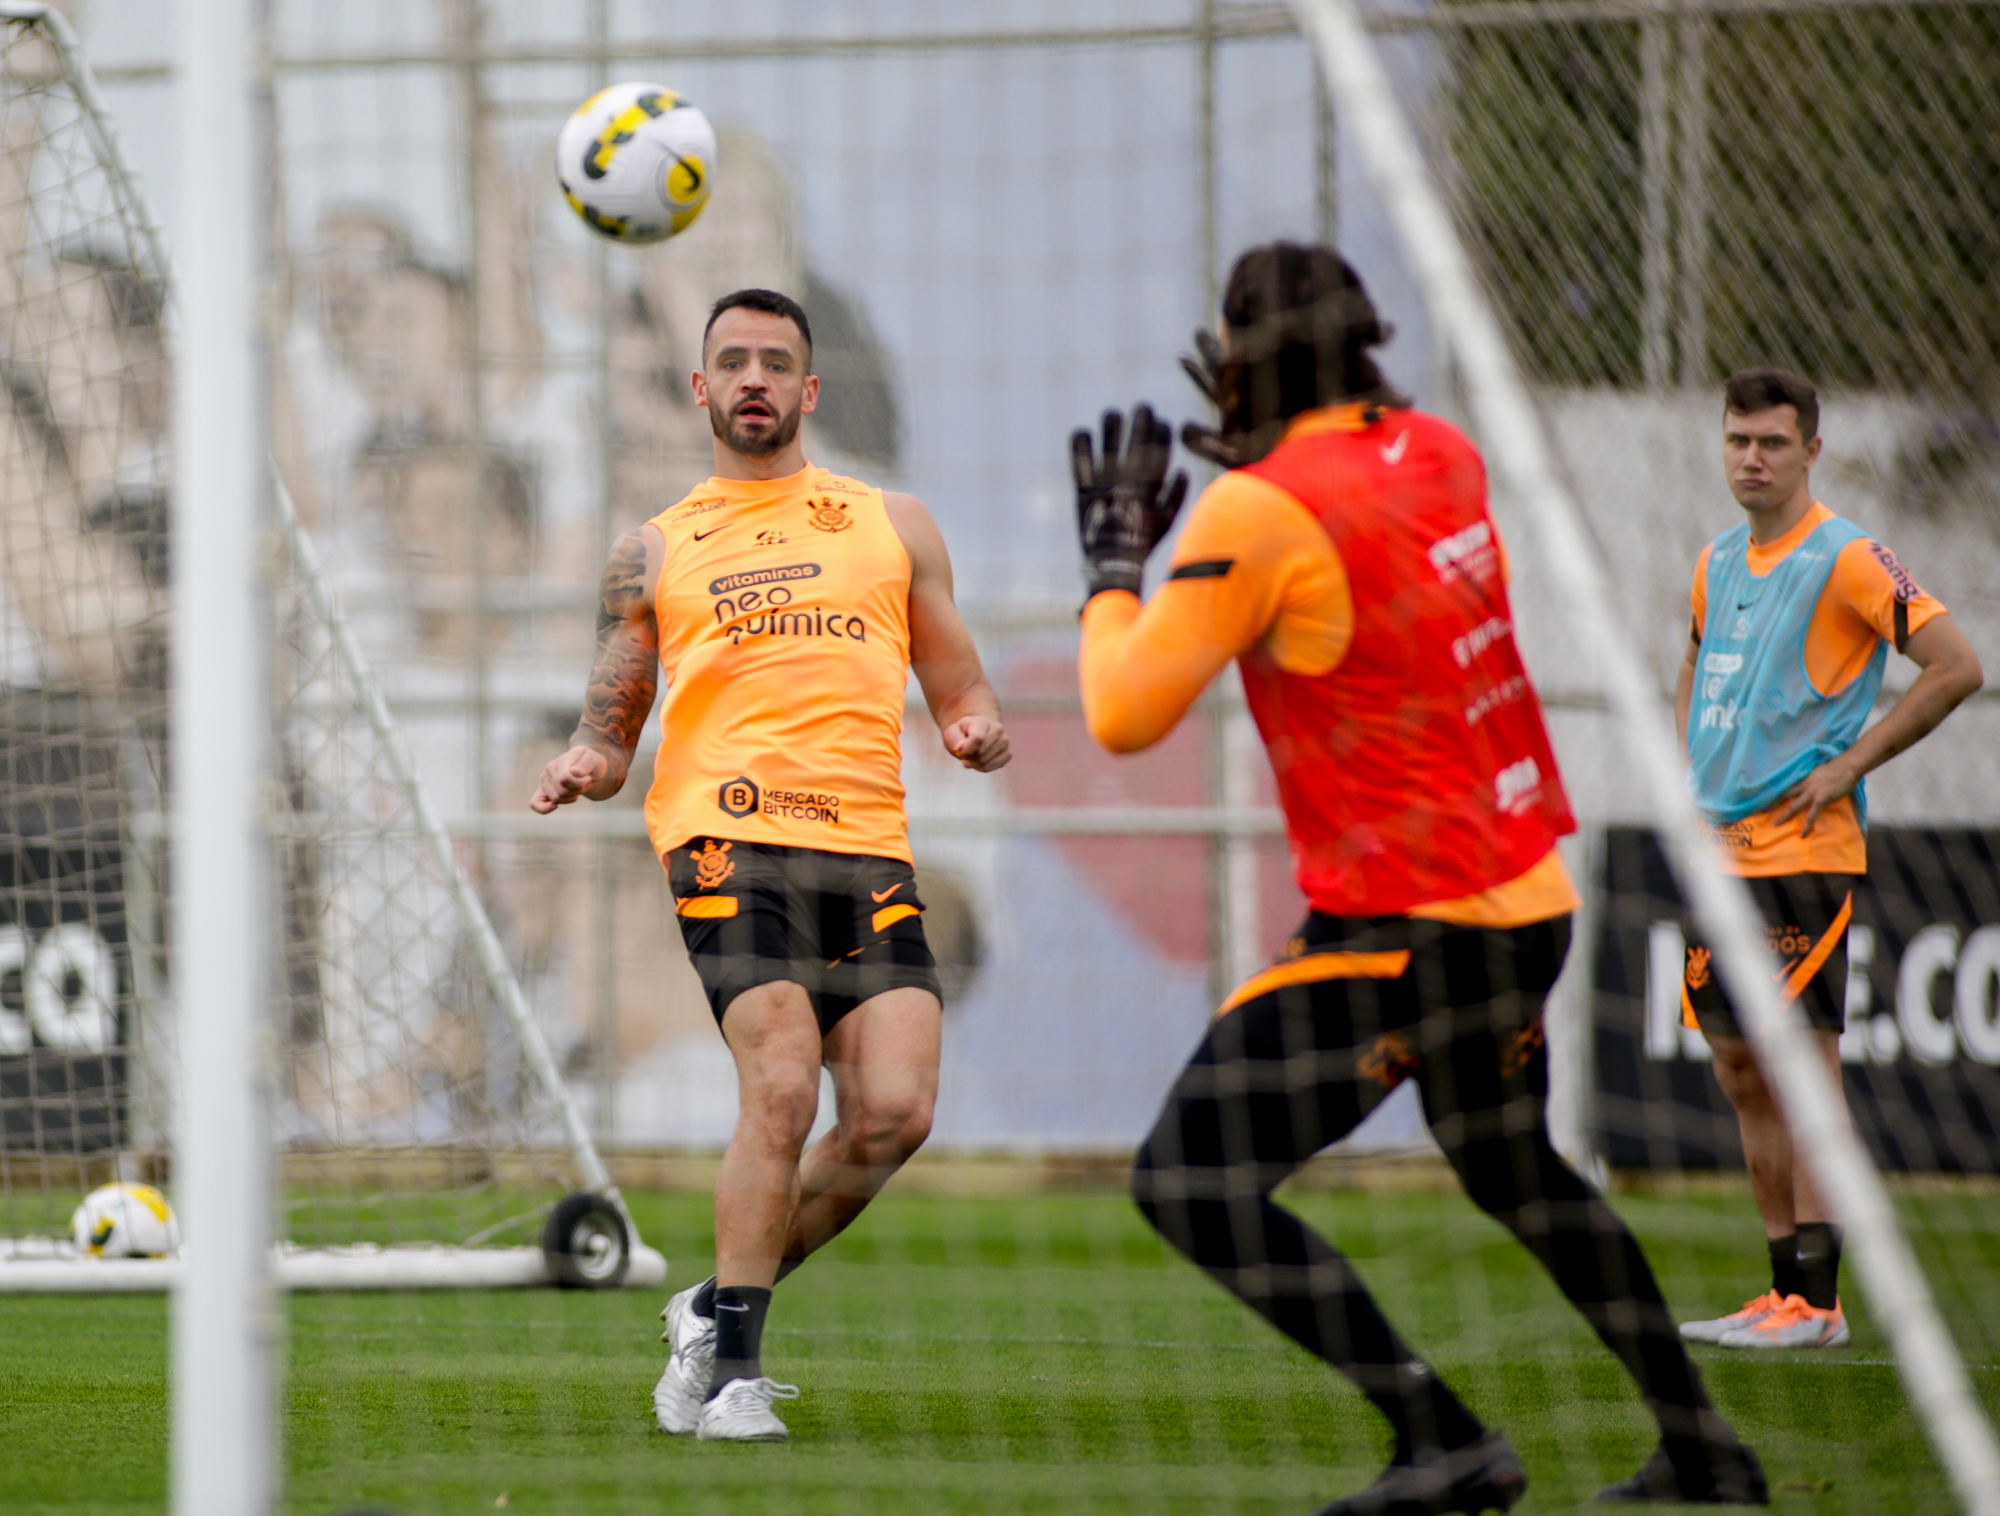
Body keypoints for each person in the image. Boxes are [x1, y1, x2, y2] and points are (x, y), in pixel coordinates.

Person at [1079, 242, 1765, 1511]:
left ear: (1244, 357)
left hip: (1405, 927)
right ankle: (1704, 1451)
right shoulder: (1441, 448)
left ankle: (1441, 1439)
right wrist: (1267, 476)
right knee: (1517, 1173)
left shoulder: (1254, 512)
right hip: (1523, 901)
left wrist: (1115, 563)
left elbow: (1122, 710)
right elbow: (1358, 537)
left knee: (1185, 1179)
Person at [530, 288, 1010, 1442]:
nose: (752, 377)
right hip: (726, 838)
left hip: (865, 850)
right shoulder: (652, 547)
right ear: (700, 389)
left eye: (774, 361)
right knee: (784, 1079)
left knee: (893, 1113)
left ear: (808, 390)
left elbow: (959, 682)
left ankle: (713, 1303)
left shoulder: (892, 524)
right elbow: (613, 712)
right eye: (730, 361)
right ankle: (731, 1375)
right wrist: (590, 761)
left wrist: (973, 726)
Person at [1674, 368, 1982, 1350]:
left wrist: (1848, 763)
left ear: (1810, 450)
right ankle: (1779, 1290)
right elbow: (1693, 665)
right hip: (1716, 851)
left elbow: (1955, 665)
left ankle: (1820, 1299)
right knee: (1736, 1066)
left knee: (1799, 1069)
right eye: (1735, 440)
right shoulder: (1713, 561)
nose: (1750, 458)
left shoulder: (1850, 556)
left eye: (1769, 441)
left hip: (1801, 850)